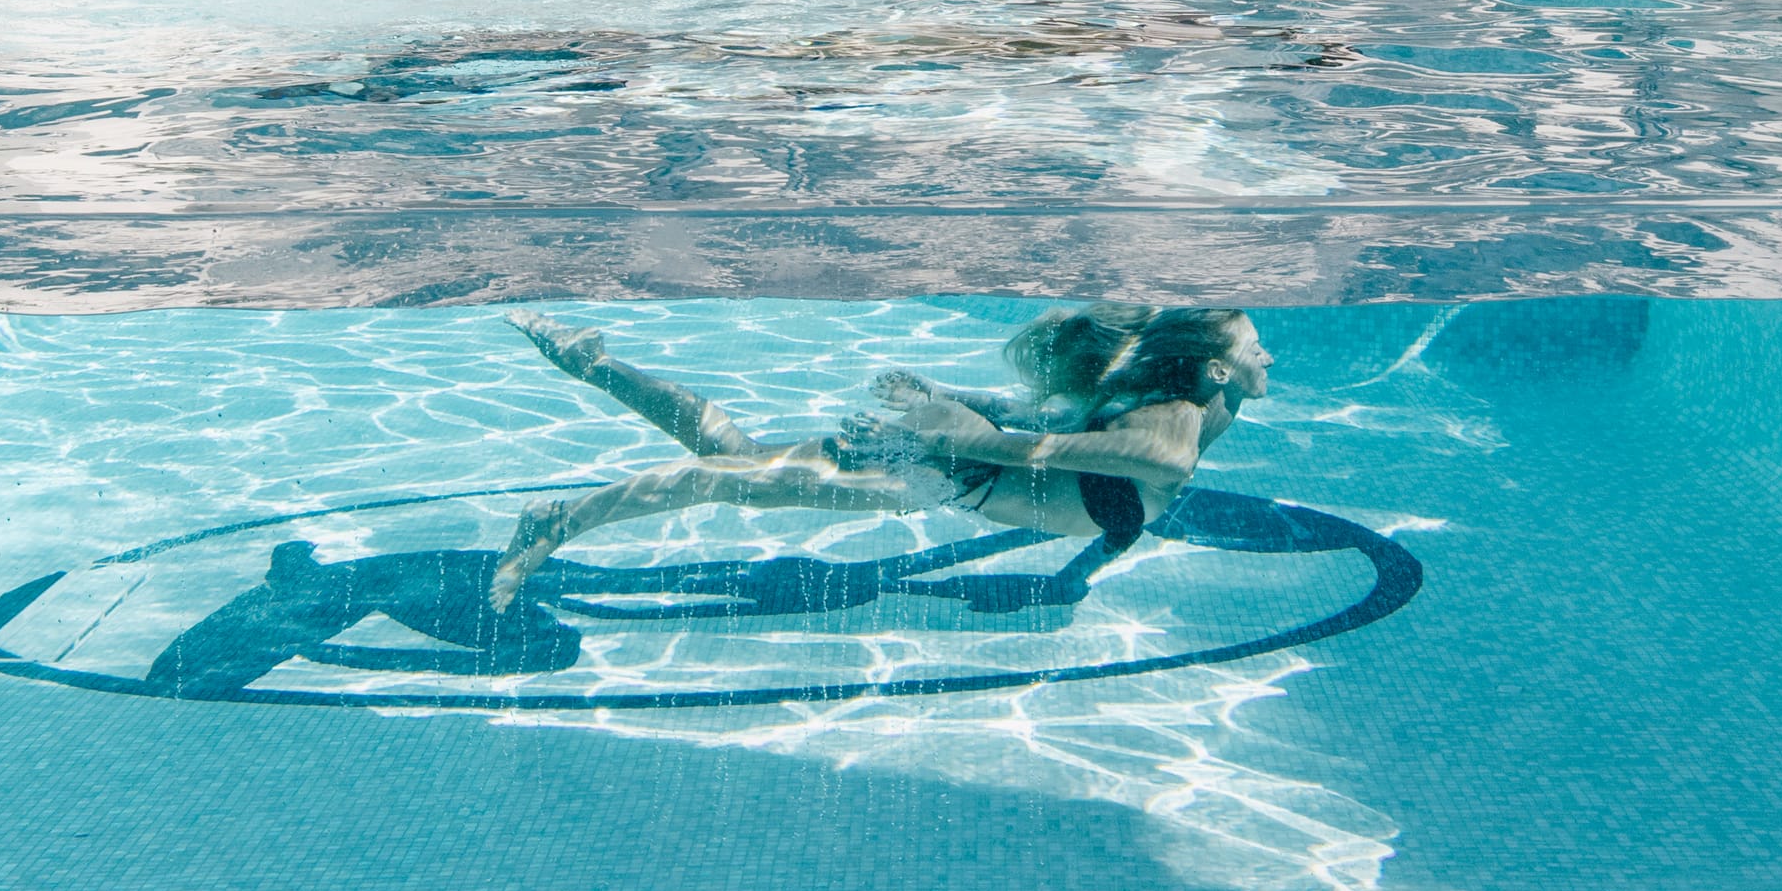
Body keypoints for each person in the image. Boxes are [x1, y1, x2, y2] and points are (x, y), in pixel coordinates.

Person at [489, 302, 1269, 612]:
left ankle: (595, 364)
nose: (1271, 351)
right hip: (939, 469)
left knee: (738, 455)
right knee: (736, 481)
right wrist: (951, 432)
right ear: (1215, 370)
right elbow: (1055, 445)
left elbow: (1048, 425)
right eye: (1254, 345)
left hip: (955, 457)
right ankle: (560, 518)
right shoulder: (1169, 436)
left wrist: (1073, 574)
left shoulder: (1195, 399)